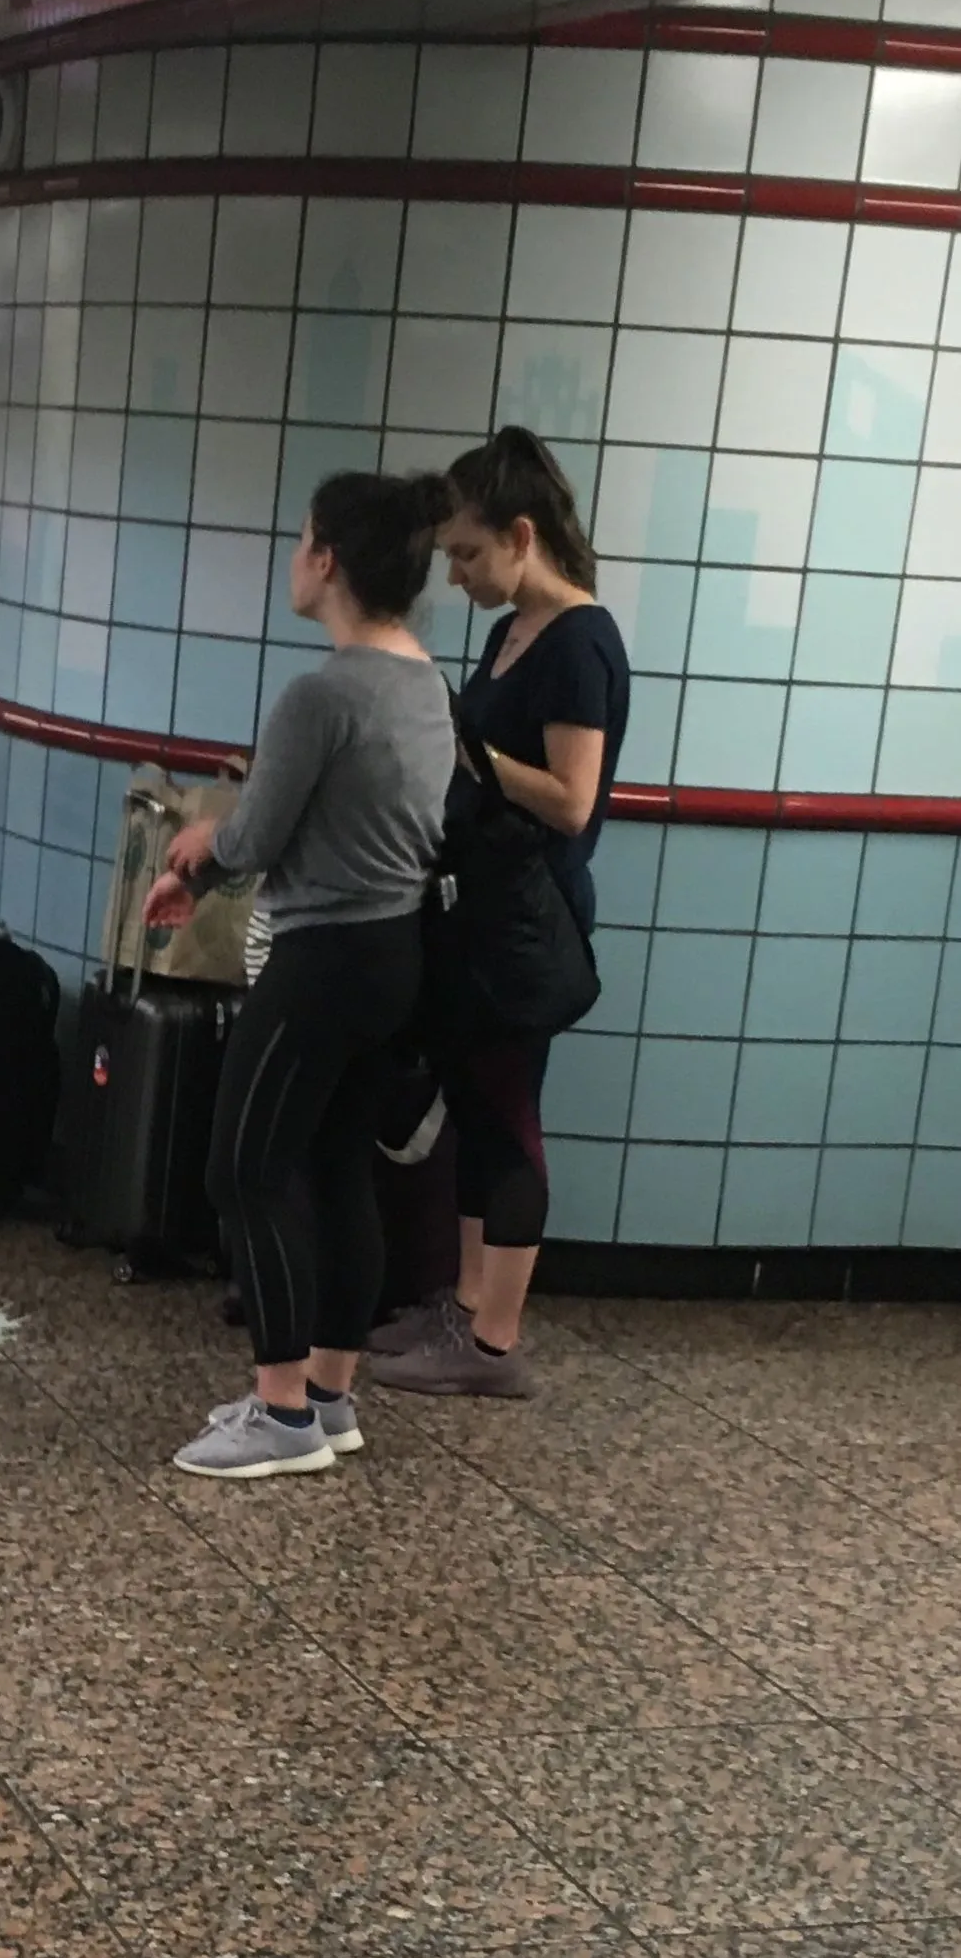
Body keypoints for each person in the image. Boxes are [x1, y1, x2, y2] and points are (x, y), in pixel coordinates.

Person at [154, 472, 456, 1480]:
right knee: (334, 1169)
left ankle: (279, 1413)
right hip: (391, 956)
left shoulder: (320, 694)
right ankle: (328, 1393)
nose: (293, 558)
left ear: (326, 560)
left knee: (243, 1168)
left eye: (300, 541)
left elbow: (254, 838)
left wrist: (202, 843)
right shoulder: (424, 683)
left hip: (320, 961)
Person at [367, 428, 630, 1398]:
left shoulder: (579, 642)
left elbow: (571, 798)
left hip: (530, 920)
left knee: (510, 1115)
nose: (457, 574)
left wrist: (467, 749)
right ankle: (466, 1306)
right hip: (483, 910)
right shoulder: (512, 630)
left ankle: (492, 1343)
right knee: (478, 1110)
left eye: (468, 553)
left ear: (523, 535)